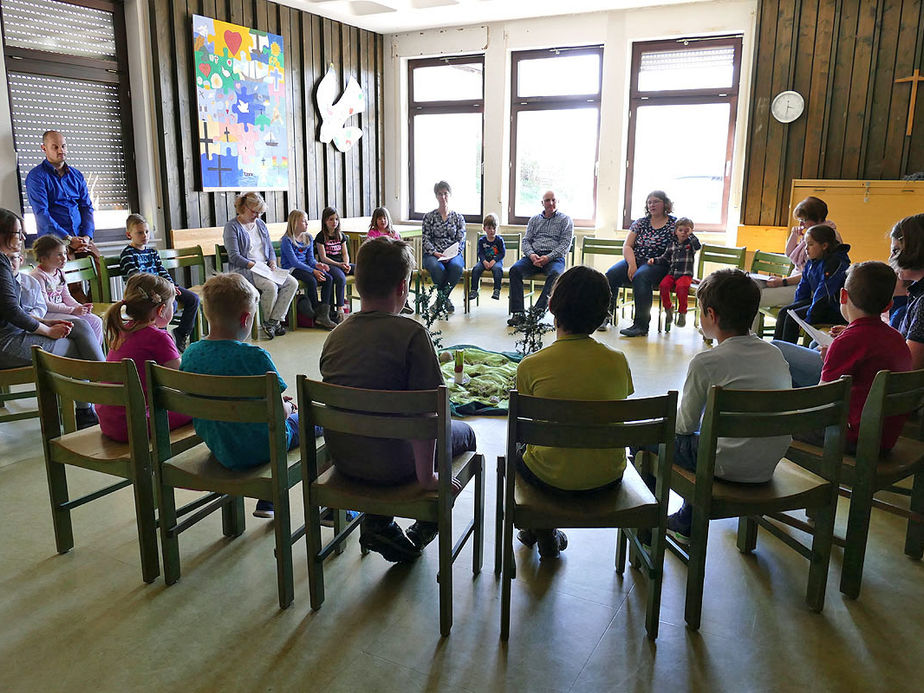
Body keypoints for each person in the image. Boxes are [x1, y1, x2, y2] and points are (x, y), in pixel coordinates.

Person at [320, 237, 476, 563]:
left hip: (346, 462)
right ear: (403, 287)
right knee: (465, 434)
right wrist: (427, 478)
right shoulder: (412, 335)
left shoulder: (335, 336)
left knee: (380, 427)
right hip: (396, 468)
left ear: (358, 283)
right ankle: (418, 535)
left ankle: (377, 520)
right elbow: (430, 415)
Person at [666, 269, 792, 543]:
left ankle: (662, 525)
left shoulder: (707, 362)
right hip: (765, 464)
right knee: (708, 434)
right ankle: (685, 519)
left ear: (711, 315)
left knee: (649, 441)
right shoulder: (775, 354)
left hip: (722, 464)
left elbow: (684, 426)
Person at [515, 266, 633, 559]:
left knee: (519, 449)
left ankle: (540, 529)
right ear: (604, 313)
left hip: (548, 481)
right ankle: (540, 532)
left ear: (552, 306)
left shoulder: (530, 366)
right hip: (608, 479)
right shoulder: (618, 362)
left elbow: (526, 425)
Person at [181, 273, 317, 520]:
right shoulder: (256, 357)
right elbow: (278, 413)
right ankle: (327, 508)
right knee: (315, 421)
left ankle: (267, 499)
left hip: (220, 444)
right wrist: (287, 409)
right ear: (246, 318)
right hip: (262, 446)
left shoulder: (191, 354)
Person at [775, 214, 924, 387]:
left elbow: (908, 369)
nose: (891, 258)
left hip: (873, 388)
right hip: (874, 379)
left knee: (778, 349)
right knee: (817, 343)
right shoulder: (916, 292)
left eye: (897, 250)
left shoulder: (921, 301)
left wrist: (838, 355)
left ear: (917, 250)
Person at [790, 262, 910, 454]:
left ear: (843, 296)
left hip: (852, 437)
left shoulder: (847, 341)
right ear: (889, 305)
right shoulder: (896, 338)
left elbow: (819, 400)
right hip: (885, 438)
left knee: (778, 420)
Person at [0, 208, 102, 429]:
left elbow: (14, 312)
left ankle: (106, 387)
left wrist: (47, 322)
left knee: (80, 325)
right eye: (18, 233)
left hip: (12, 335)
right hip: (5, 345)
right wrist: (47, 330)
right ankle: (102, 397)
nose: (23, 238)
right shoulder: (0, 264)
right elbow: (11, 312)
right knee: (75, 349)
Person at [96, 273, 193, 442]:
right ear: (161, 310)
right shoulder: (158, 338)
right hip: (136, 424)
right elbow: (182, 381)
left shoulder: (122, 330)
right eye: (172, 305)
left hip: (110, 421)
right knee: (203, 405)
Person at [119, 214, 201, 352]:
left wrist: (171, 286)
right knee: (170, 304)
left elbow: (162, 271)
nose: (144, 235)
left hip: (163, 287)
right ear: (129, 234)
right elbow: (136, 279)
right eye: (139, 232)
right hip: (145, 293)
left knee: (193, 299)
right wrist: (165, 291)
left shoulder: (152, 252)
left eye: (147, 231)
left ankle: (180, 334)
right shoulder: (128, 254)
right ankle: (159, 337)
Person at [222, 191, 298, 340]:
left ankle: (273, 321)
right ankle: (268, 322)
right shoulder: (232, 227)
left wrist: (272, 261)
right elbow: (234, 256)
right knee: (271, 287)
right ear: (243, 207)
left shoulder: (261, 224)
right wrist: (254, 265)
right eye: (255, 212)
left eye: (260, 213)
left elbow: (269, 247)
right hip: (246, 269)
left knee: (292, 283)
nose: (257, 216)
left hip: (265, 267)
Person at [756, 196, 840, 330]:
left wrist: (783, 282)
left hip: (805, 287)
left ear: (818, 219)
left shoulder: (826, 236)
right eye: (800, 220)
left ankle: (747, 341)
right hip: (795, 282)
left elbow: (814, 274)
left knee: (753, 298)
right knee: (752, 286)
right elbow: (789, 254)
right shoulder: (811, 233)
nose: (801, 225)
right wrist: (793, 236)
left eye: (804, 220)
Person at [605, 190, 677, 337]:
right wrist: (632, 264)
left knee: (641, 277)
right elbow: (627, 246)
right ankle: (604, 316)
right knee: (611, 274)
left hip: (658, 262)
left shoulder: (674, 224)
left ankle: (641, 325)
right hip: (636, 259)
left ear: (665, 204)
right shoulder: (640, 222)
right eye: (649, 202)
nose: (652, 205)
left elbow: (686, 243)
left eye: (656, 201)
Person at [772, 224, 850, 343]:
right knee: (785, 312)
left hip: (833, 307)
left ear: (824, 246)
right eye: (805, 244)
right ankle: (777, 349)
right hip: (820, 304)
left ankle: (788, 353)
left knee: (793, 319)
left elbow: (823, 294)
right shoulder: (812, 261)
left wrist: (808, 319)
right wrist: (796, 305)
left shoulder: (835, 263)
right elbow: (803, 287)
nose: (806, 248)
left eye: (811, 244)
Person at [506, 191, 574, 326]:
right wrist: (531, 255)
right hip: (533, 256)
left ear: (558, 201)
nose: (551, 203)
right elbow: (526, 241)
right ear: (542, 203)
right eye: (547, 200)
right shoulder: (534, 220)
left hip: (554, 258)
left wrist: (548, 258)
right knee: (515, 270)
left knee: (556, 275)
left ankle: (536, 313)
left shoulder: (565, 220)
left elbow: (565, 245)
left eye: (553, 200)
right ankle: (518, 313)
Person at [25, 130, 97, 257]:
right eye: (55, 147)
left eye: (63, 146)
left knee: (99, 267)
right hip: (54, 243)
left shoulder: (76, 175)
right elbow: (42, 213)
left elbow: (86, 207)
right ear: (44, 148)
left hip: (81, 240)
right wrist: (68, 239)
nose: (60, 150)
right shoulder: (36, 177)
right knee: (65, 273)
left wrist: (86, 236)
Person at [30, 235, 104, 345]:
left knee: (96, 321)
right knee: (82, 323)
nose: (64, 258)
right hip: (47, 314)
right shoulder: (38, 276)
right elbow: (46, 304)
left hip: (61, 310)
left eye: (65, 253)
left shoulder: (60, 273)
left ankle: (94, 356)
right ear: (43, 258)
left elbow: (66, 297)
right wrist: (72, 310)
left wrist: (79, 307)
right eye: (59, 255)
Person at [279, 210, 336, 330]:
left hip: (306, 267)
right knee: (312, 281)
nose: (307, 223)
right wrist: (313, 271)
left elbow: (310, 259)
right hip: (292, 269)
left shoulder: (308, 237)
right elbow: (294, 262)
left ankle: (324, 314)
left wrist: (318, 265)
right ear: (295, 223)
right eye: (304, 221)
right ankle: (315, 311)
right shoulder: (287, 240)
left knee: (328, 278)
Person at [647, 216, 701, 329]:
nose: (683, 233)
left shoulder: (690, 244)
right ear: (676, 231)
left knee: (681, 288)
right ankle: (668, 308)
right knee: (663, 285)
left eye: (686, 231)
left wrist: (691, 234)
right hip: (672, 273)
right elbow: (665, 258)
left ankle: (682, 313)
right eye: (680, 230)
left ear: (691, 232)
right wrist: (655, 260)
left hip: (685, 274)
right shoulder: (671, 244)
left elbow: (697, 246)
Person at [421, 181, 466, 314]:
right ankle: (445, 299)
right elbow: (425, 239)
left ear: (449, 195)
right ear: (436, 196)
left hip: (453, 254)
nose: (443, 197)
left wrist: (451, 254)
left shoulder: (458, 218)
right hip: (433, 254)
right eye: (440, 194)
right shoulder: (429, 217)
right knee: (437, 268)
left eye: (445, 193)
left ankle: (440, 300)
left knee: (457, 267)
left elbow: (461, 240)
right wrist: (435, 253)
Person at [315, 206, 354, 324]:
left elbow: (345, 253)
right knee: (341, 278)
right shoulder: (321, 236)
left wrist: (346, 264)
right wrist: (340, 265)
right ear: (325, 221)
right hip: (329, 264)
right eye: (331, 219)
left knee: (361, 270)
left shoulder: (341, 235)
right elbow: (323, 258)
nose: (334, 222)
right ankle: (340, 310)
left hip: (341, 263)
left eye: (336, 219)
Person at [468, 213, 505, 302]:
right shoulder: (482, 241)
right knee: (476, 269)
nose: (492, 230)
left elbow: (502, 253)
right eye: (489, 228)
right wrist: (484, 261)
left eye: (494, 228)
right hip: (484, 261)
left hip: (496, 261)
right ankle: (474, 290)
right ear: (484, 228)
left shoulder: (499, 240)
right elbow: (480, 253)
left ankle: (496, 290)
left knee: (497, 269)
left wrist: (494, 261)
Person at [4, 248, 46, 318]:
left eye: (12, 258)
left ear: (21, 260)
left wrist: (29, 318)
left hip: (33, 321)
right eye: (3, 260)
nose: (8, 263)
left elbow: (40, 306)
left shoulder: (32, 282)